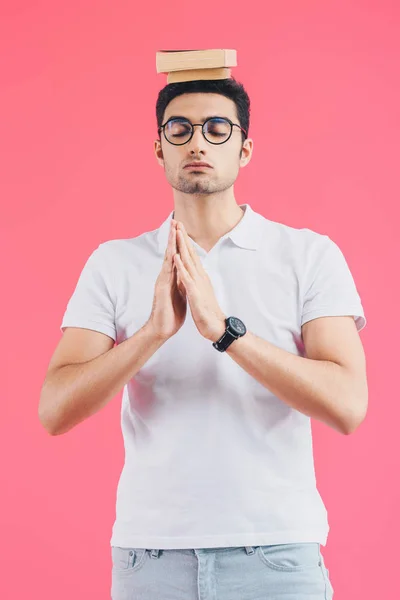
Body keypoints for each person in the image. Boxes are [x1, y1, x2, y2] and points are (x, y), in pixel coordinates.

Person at [39, 78, 368, 599]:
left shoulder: (308, 255)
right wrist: (152, 334)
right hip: (150, 558)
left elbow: (348, 406)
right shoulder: (114, 263)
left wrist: (225, 332)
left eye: (217, 129)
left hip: (276, 553)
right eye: (180, 128)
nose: (197, 142)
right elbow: (54, 409)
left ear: (244, 148)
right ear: (159, 147)